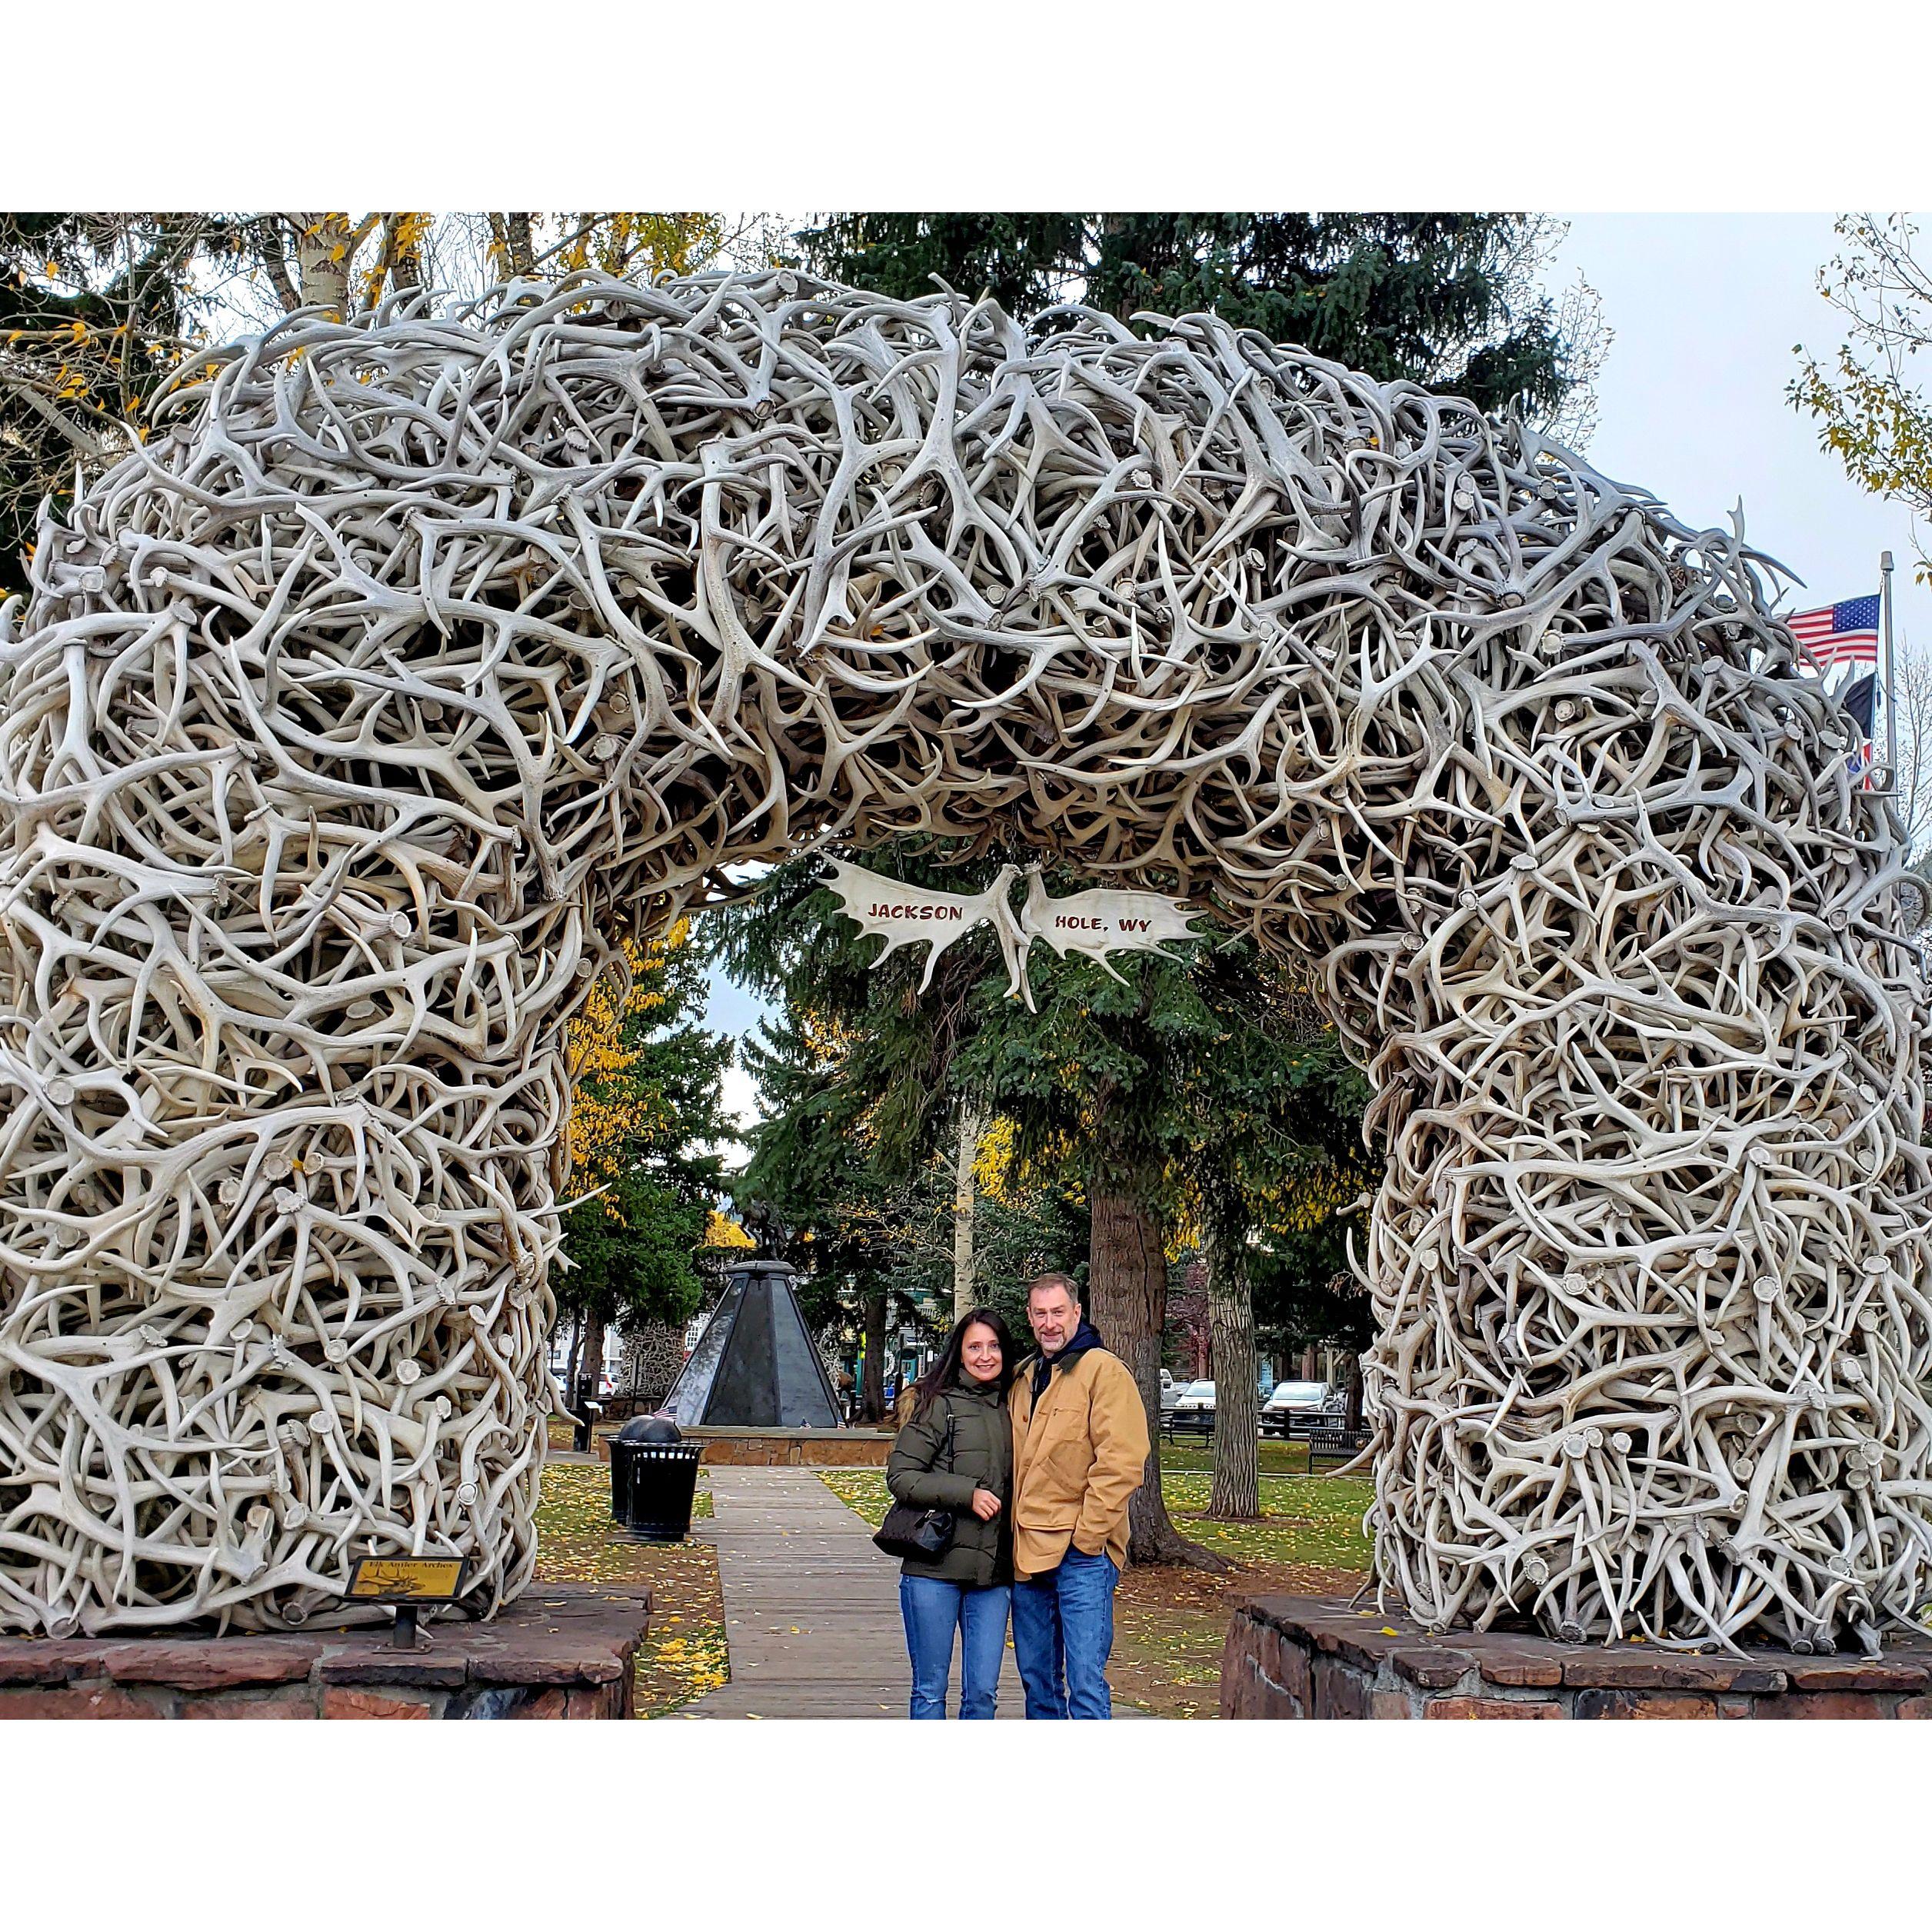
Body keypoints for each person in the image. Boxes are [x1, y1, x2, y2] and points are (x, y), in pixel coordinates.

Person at [1007, 1271, 1149, 1719]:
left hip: (1080, 1555)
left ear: (1077, 1313)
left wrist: (1087, 1538)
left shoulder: (1104, 1371)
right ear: (1030, 1317)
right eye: (1041, 1313)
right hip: (1026, 1554)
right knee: (1038, 1682)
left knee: (1086, 1685)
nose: (1050, 1323)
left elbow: (1122, 1461)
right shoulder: (1023, 1377)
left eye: (1059, 1313)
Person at [884, 1307, 1016, 1719]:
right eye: (974, 1346)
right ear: (959, 1351)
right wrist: (967, 1493)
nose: (985, 1356)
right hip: (933, 1570)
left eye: (993, 1346)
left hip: (991, 1576)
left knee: (982, 1694)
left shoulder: (1015, 1404)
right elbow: (902, 1476)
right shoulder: (938, 1404)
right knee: (929, 1690)